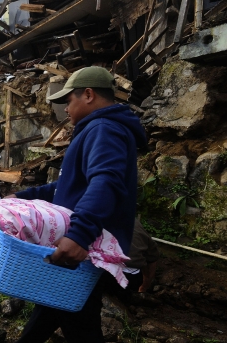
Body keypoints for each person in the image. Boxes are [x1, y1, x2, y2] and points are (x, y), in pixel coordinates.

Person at [8, 66, 148, 342]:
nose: (65, 109)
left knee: (79, 322)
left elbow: (106, 182)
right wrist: (22, 197)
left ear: (88, 94)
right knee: (53, 306)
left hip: (86, 247)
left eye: (68, 101)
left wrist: (79, 235)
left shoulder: (104, 129)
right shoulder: (96, 129)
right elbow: (67, 186)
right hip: (81, 248)